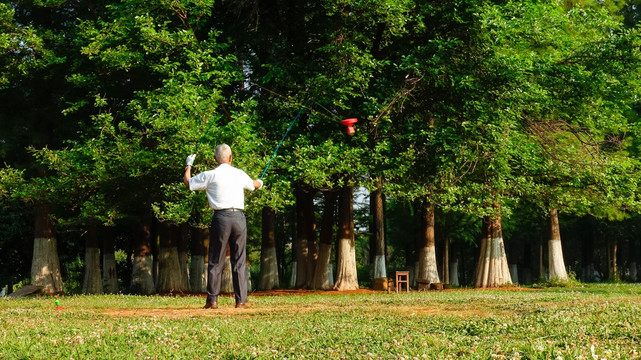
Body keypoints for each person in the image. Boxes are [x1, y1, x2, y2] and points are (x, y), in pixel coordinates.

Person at [184, 144, 263, 309]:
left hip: (220, 218)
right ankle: (241, 300)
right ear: (231, 157)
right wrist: (260, 183)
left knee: (215, 260)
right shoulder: (239, 173)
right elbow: (253, 185)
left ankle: (212, 300)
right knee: (239, 260)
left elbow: (188, 182)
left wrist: (188, 165)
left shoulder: (210, 174)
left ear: (215, 159)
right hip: (239, 218)